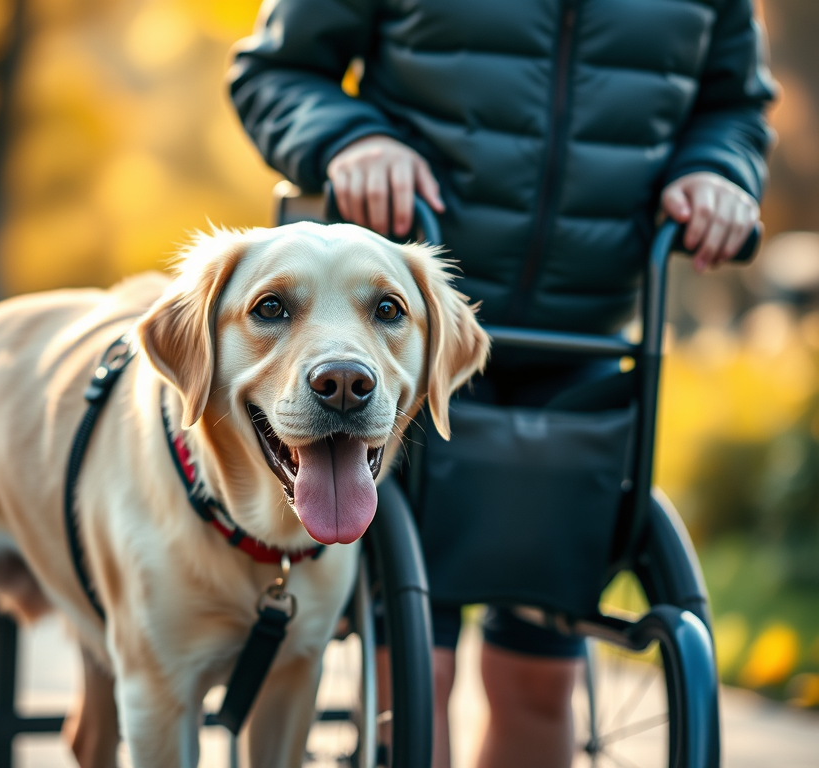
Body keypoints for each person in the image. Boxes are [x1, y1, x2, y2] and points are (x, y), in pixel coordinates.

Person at [228, 2, 774, 766]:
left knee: (538, 681)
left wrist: (721, 170)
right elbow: (274, 69)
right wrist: (351, 138)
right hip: (401, 347)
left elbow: (734, 107)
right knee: (418, 668)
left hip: (584, 346)